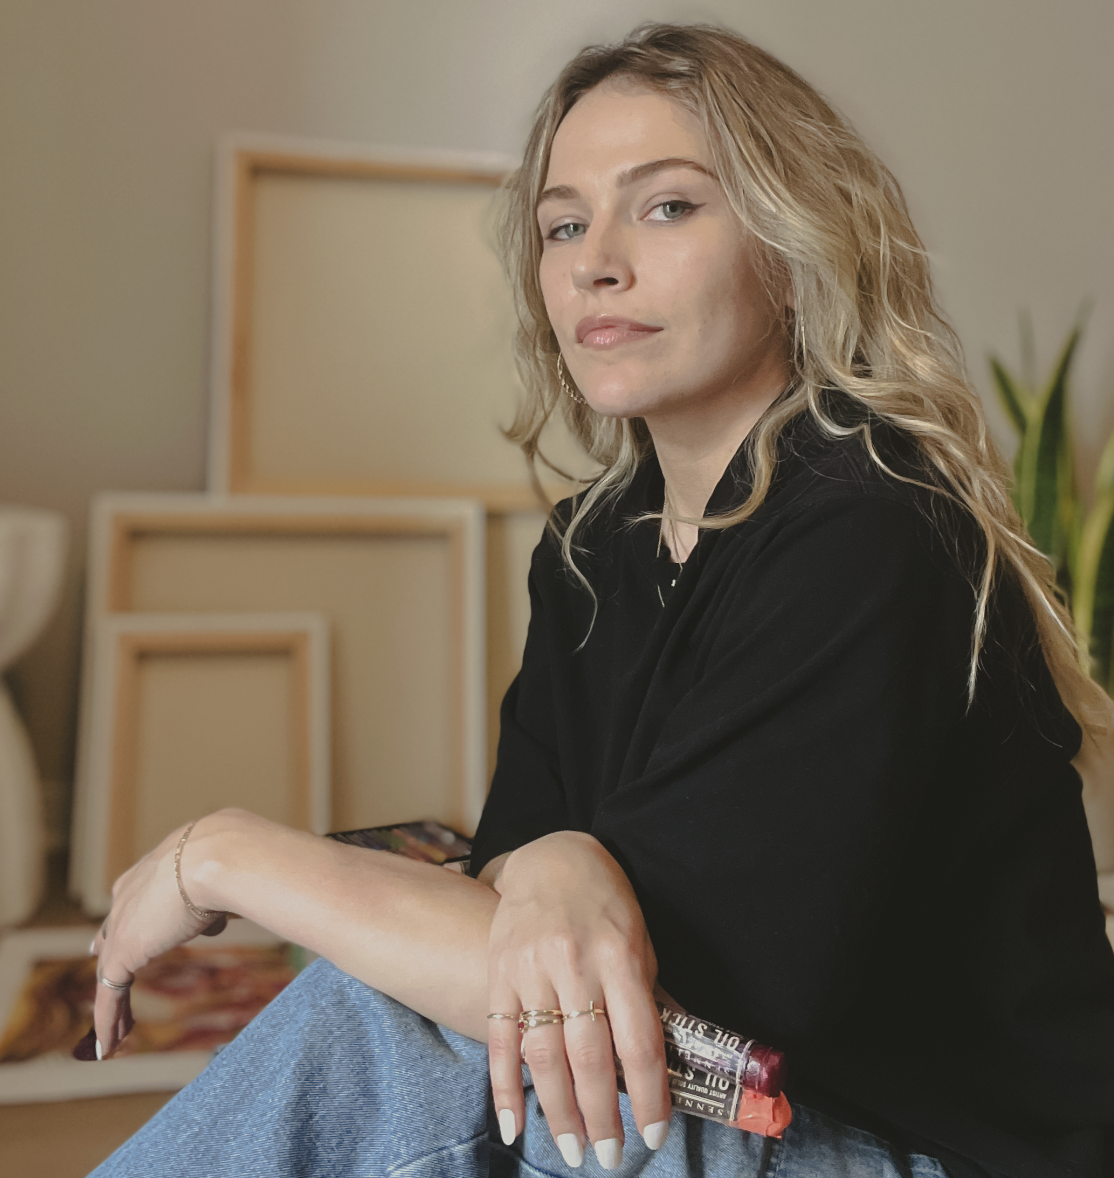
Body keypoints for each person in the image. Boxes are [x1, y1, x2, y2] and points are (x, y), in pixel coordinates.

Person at [87, 23, 1114, 1178]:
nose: (595, 261)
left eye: (665, 206)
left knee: (394, 1037)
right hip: (724, 1101)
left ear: (791, 241)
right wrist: (553, 859)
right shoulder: (595, 543)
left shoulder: (871, 522)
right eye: (563, 223)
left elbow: (671, 1010)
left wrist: (220, 855)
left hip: (922, 1145)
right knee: (425, 1016)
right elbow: (517, 910)